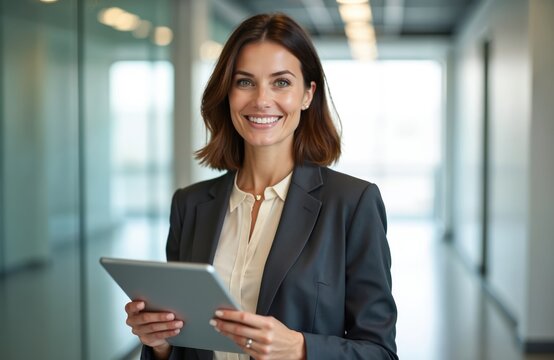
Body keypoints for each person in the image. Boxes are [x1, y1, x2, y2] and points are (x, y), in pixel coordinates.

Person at [124, 12, 398, 360]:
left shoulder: (352, 203)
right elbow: (184, 346)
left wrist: (301, 348)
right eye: (245, 82)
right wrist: (160, 343)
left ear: (307, 94)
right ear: (227, 92)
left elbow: (379, 352)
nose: (261, 100)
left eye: (281, 82)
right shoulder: (190, 205)